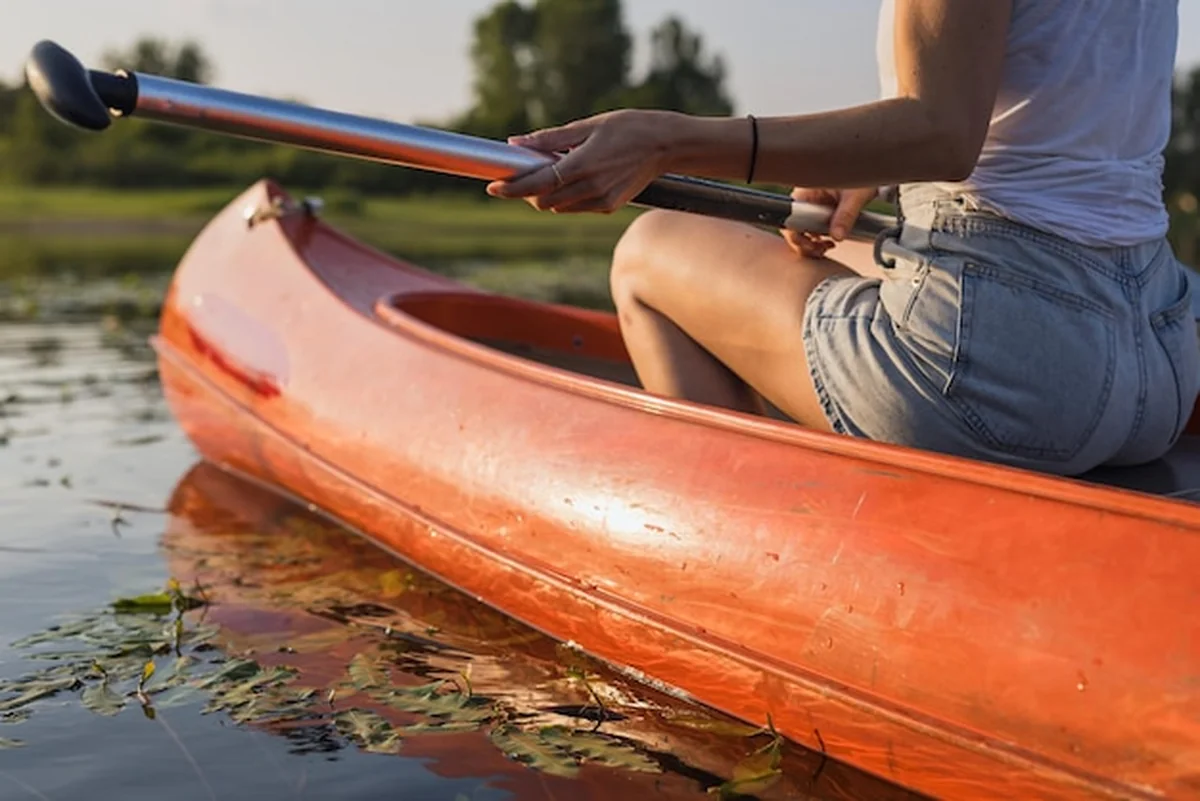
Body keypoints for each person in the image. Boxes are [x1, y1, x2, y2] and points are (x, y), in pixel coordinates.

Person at [485, 0, 1197, 478]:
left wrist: (664, 141)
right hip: (1160, 357)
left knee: (650, 252)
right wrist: (878, 171)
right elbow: (1055, 128)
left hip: (1011, 375)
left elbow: (942, 132)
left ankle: (747, 551)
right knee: (830, 244)